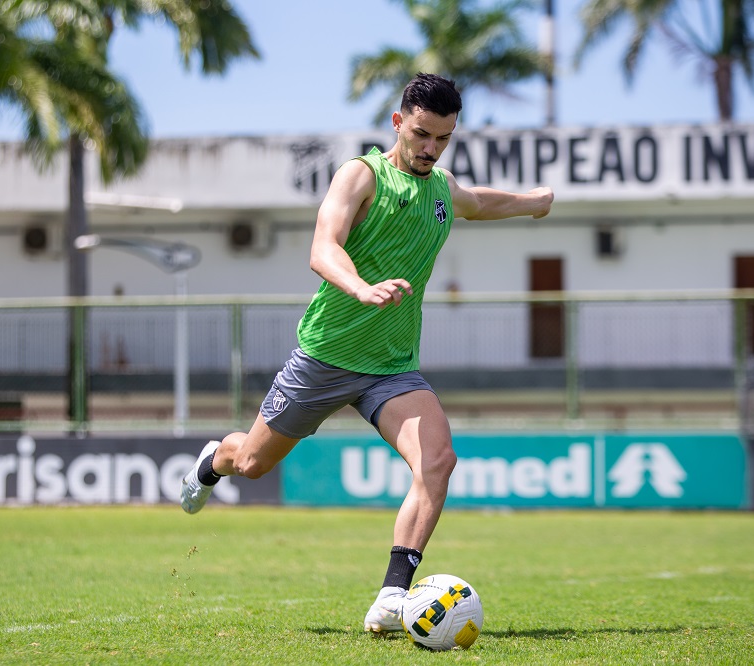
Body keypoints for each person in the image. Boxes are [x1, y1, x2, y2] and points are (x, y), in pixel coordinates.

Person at [181, 73, 553, 634]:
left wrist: (533, 202)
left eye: (444, 139)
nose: (431, 149)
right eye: (423, 134)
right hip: (326, 356)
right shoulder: (361, 175)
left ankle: (392, 596)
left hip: (392, 366)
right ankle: (215, 460)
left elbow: (478, 203)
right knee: (252, 464)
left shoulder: (442, 188)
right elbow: (323, 246)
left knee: (437, 461)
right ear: (400, 122)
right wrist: (359, 287)